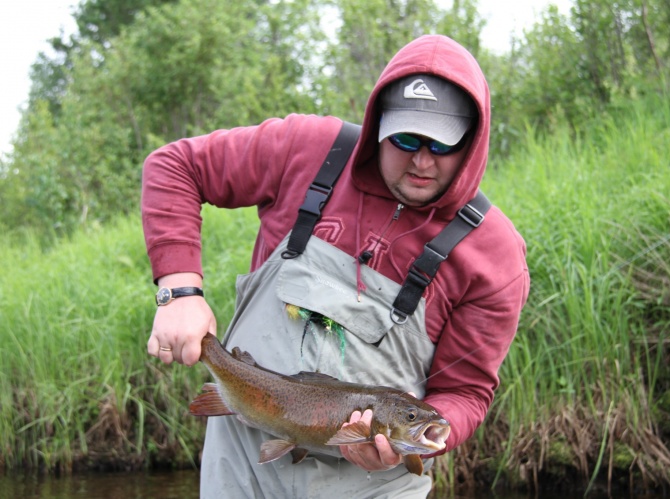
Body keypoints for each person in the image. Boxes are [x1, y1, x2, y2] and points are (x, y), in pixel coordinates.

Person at [142, 34, 529, 498]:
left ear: (473, 140)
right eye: (406, 139)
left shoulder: (495, 255)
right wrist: (179, 289)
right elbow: (175, 166)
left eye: (443, 145)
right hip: (242, 461)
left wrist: (425, 443)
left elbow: (465, 394)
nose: (422, 161)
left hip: (372, 486)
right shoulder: (309, 150)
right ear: (377, 124)